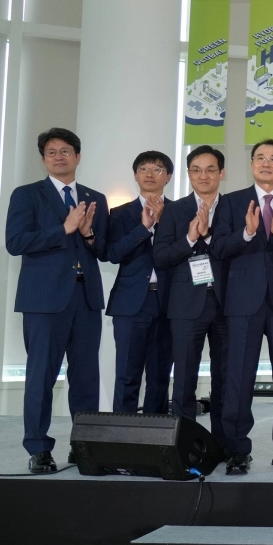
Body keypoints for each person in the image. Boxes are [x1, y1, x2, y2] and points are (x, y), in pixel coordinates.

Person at [5, 128, 108, 473]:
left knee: (86, 378)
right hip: (44, 302)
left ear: (78, 157)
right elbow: (16, 242)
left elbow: (103, 250)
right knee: (41, 377)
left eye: (66, 151)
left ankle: (84, 445)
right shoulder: (27, 195)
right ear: (43, 159)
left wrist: (88, 234)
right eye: (52, 152)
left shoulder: (95, 198)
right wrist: (63, 229)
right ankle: (38, 448)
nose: (59, 156)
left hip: (86, 299)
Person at [213, 139, 273, 475]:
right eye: (261, 157)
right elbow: (219, 247)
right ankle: (237, 449)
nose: (267, 163)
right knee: (238, 377)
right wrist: (247, 233)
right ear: (252, 163)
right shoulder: (231, 202)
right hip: (243, 301)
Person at [154, 145, 232, 454]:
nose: (203, 175)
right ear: (188, 174)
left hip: (228, 305)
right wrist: (189, 238)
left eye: (210, 169)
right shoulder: (175, 210)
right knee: (185, 379)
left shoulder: (235, 207)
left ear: (221, 173)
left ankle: (224, 446)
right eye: (196, 170)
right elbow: (161, 257)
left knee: (225, 379)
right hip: (187, 306)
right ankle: (185, 447)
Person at [105, 151, 173, 414]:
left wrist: (163, 221)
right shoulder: (120, 214)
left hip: (168, 302)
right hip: (131, 303)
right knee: (126, 375)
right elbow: (113, 254)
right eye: (143, 169)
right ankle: (122, 433)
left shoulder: (179, 212)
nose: (149, 174)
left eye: (157, 169)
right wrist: (144, 228)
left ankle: (156, 434)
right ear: (135, 175)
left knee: (160, 376)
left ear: (168, 177)